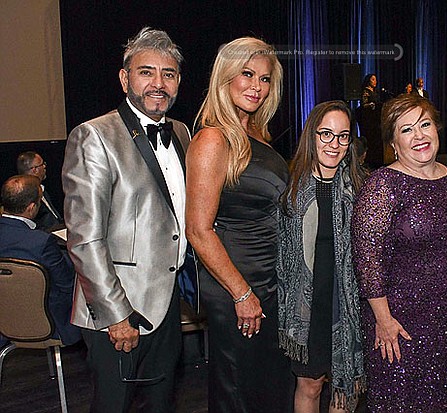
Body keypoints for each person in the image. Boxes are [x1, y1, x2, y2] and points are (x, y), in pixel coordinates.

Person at [62, 27, 190, 413]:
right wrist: (117, 315)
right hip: (119, 309)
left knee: (161, 404)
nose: (158, 83)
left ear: (178, 82)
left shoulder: (181, 132)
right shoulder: (94, 135)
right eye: (146, 72)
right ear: (124, 78)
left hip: (168, 302)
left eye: (168, 74)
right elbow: (85, 239)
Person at [186, 37, 292, 413]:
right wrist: (242, 294)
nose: (256, 86)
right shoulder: (212, 139)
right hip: (237, 284)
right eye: (247, 74)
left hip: (268, 280)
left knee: (268, 386)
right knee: (239, 390)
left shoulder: (258, 134)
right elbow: (198, 230)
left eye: (264, 79)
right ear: (225, 76)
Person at [352, 94, 447, 412]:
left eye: (425, 124)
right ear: (393, 143)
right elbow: (367, 259)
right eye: (406, 130)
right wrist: (383, 320)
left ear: (437, 128)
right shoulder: (382, 185)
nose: (419, 135)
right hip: (399, 324)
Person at [278, 101, 366, 413]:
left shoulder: (361, 188)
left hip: (349, 306)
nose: (334, 144)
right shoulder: (289, 187)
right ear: (312, 136)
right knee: (310, 386)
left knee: (346, 388)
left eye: (343, 136)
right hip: (308, 308)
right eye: (326, 134)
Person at [0, 175, 81, 347]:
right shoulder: (41, 242)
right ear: (31, 208)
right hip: (47, 324)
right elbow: (67, 285)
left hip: (4, 321)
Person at [16, 151, 63, 231]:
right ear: (34, 170)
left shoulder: (41, 188)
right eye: (42, 164)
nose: (44, 166)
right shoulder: (24, 194)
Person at [358, 74, 383, 169]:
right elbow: (363, 105)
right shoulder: (366, 91)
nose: (375, 81)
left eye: (375, 79)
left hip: (376, 119)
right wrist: (370, 105)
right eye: (373, 79)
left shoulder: (376, 91)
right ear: (368, 81)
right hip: (369, 121)